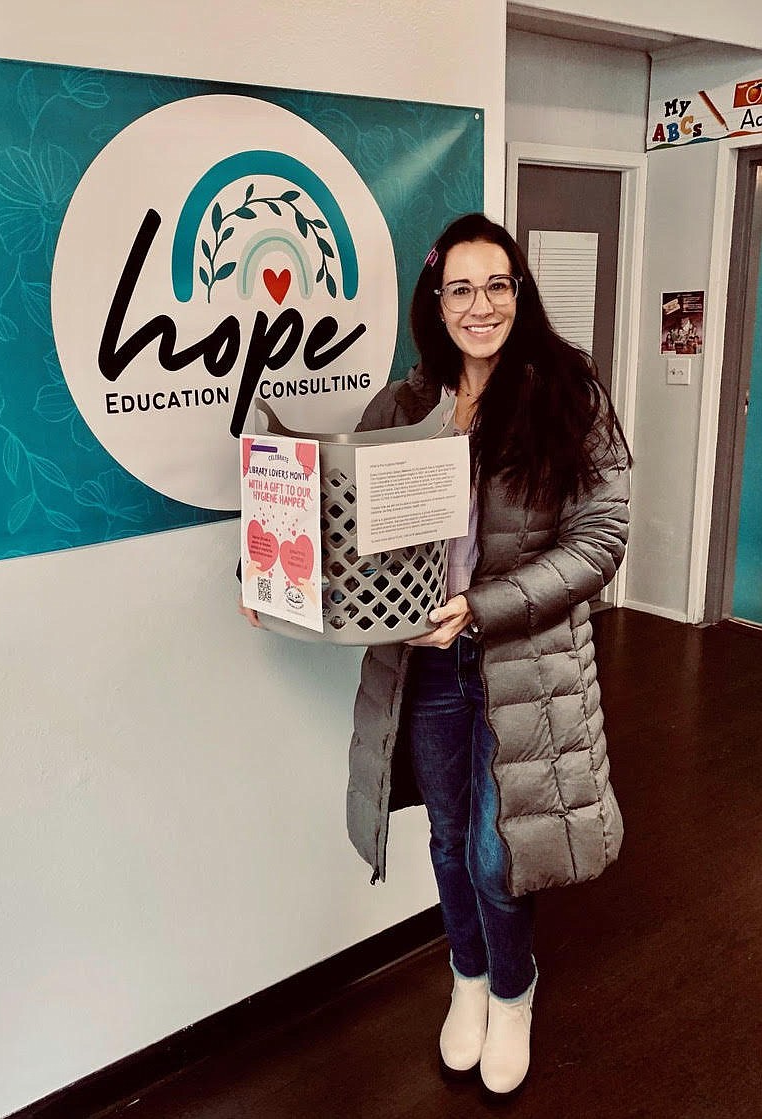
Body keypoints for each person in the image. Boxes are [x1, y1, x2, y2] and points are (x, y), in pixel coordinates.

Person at [241, 212, 630, 1096]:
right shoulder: (403, 403)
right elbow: (335, 521)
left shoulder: (569, 393)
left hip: (523, 668)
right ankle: (464, 976)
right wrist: (270, 576)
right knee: (451, 842)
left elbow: (601, 537)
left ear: (519, 292)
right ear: (436, 300)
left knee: (499, 852)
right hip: (422, 670)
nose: (479, 303)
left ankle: (512, 989)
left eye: (496, 284)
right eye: (460, 287)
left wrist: (479, 607)